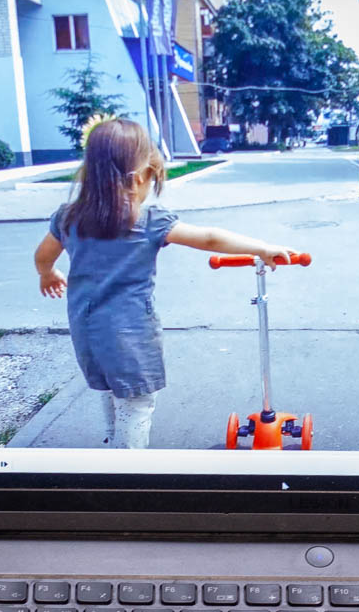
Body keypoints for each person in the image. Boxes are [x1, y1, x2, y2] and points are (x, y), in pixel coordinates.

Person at [33, 117, 299, 449]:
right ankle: (126, 468)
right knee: (136, 405)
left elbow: (43, 255)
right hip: (129, 335)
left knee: (112, 392)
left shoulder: (68, 217)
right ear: (139, 177)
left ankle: (112, 450)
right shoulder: (147, 221)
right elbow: (210, 238)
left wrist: (47, 274)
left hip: (85, 330)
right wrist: (262, 247)